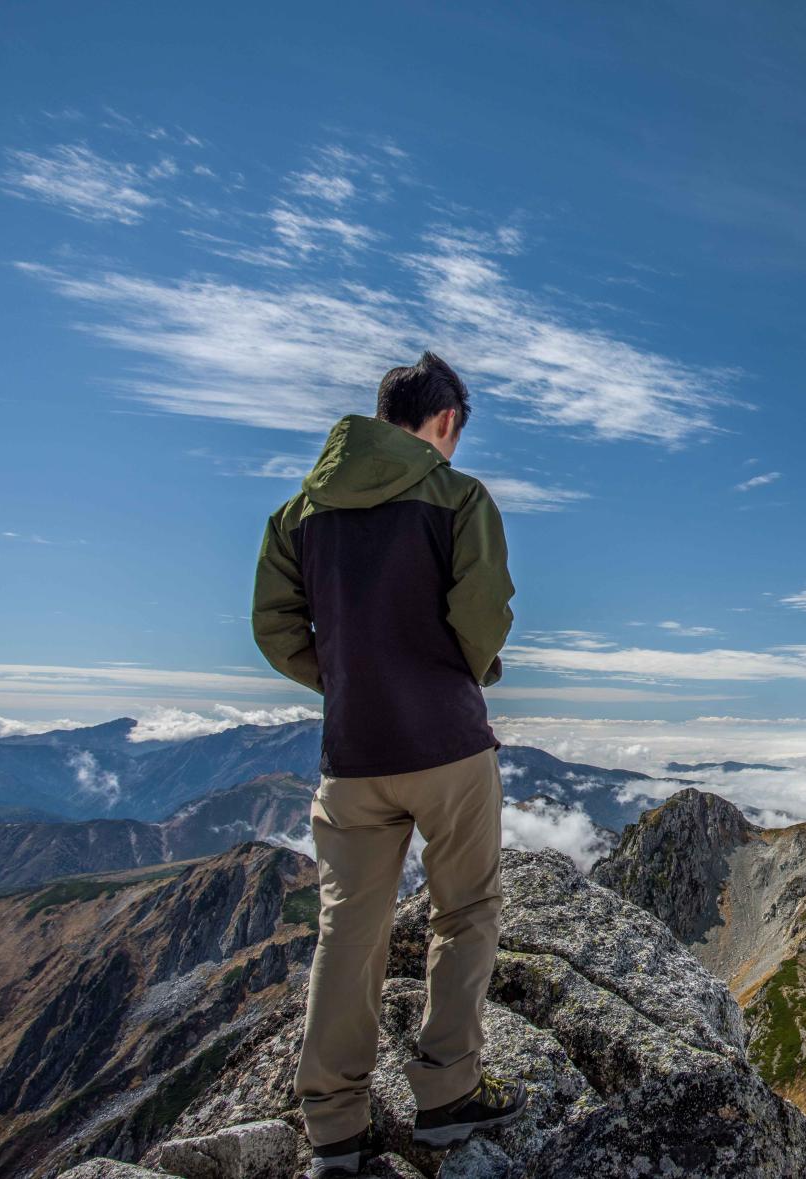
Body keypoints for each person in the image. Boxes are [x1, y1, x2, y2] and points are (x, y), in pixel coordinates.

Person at [252, 352, 526, 1178]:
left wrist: (346, 682)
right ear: (445, 423)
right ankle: (446, 1096)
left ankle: (334, 1122)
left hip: (354, 754)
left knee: (349, 930)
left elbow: (275, 629)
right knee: (466, 910)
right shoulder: (457, 496)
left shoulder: (296, 515)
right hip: (447, 745)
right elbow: (483, 611)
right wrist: (458, 677)